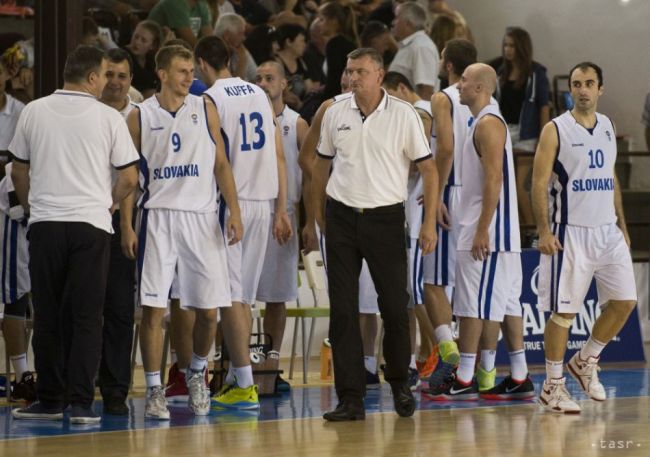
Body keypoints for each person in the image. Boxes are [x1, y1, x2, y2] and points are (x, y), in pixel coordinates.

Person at [9, 45, 139, 423]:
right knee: (86, 317)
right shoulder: (108, 117)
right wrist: (109, 204)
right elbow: (129, 176)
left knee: (47, 315)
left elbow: (19, 171)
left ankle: (51, 400)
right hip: (91, 226)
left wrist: (33, 207)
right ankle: (82, 404)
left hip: (46, 225)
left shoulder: (33, 110)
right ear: (94, 78)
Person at [313, 47, 438, 421]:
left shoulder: (404, 115)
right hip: (342, 218)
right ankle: (350, 398)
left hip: (385, 218)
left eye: (360, 72)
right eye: (349, 71)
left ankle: (400, 384)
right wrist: (319, 215)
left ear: (380, 75)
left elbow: (429, 171)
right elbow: (319, 166)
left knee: (395, 309)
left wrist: (429, 221)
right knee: (344, 312)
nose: (352, 78)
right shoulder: (335, 112)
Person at [119, 45, 242, 420]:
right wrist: (126, 224)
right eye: (181, 71)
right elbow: (128, 177)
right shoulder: (139, 116)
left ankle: (196, 374)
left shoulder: (205, 107)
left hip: (201, 218)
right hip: (157, 218)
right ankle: (155, 388)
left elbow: (221, 162)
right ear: (161, 73)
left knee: (209, 313)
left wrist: (233, 209)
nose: (190, 77)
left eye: (191, 70)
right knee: (154, 311)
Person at [532, 62, 637, 414]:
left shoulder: (607, 126)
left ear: (600, 89)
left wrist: (622, 223)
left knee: (625, 302)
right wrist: (544, 231)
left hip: (608, 230)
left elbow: (611, 179)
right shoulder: (555, 129)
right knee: (564, 315)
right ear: (570, 90)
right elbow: (538, 182)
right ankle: (552, 386)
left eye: (589, 83)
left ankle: (586, 360)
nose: (582, 90)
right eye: (576, 84)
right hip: (570, 232)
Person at [195, 36, 292, 409]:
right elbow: (279, 155)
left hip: (232, 202)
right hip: (263, 201)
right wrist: (281, 208)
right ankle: (239, 377)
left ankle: (245, 383)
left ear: (202, 63)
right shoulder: (258, 93)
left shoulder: (211, 98)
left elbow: (216, 159)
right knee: (243, 298)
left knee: (232, 298)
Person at [424, 63, 521, 401]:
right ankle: (519, 375)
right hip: (494, 231)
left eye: (464, 80)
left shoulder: (488, 124)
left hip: (488, 232)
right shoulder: (484, 121)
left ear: (480, 87)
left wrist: (482, 229)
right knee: (502, 305)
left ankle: (465, 378)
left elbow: (495, 178)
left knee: (474, 306)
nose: (459, 85)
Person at [254, 60, 308, 392]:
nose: (262, 83)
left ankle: (271, 363)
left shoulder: (297, 124)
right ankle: (237, 363)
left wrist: (310, 223)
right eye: (257, 78)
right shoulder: (245, 118)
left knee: (277, 296)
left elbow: (312, 174)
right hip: (252, 209)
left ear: (284, 84)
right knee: (239, 295)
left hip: (285, 212)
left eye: (269, 78)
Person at [381, 70, 434, 390]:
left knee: (415, 291)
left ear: (402, 88)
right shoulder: (422, 110)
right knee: (413, 291)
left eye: (391, 94)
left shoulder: (419, 111)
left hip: (417, 213)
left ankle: (443, 352)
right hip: (415, 209)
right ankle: (423, 355)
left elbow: (418, 161)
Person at [96, 48, 138, 415]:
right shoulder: (86, 112)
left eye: (122, 76)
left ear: (130, 81)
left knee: (120, 310)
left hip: (125, 223)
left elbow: (134, 179)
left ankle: (114, 390)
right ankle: (72, 383)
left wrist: (125, 223)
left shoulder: (139, 116)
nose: (115, 82)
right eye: (109, 74)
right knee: (80, 307)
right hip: (85, 217)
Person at [496, 27, 550, 243]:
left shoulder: (536, 73)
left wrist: (543, 139)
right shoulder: (501, 72)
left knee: (520, 186)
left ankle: (536, 230)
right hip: (504, 131)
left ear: (522, 47)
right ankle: (519, 231)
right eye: (506, 45)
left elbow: (543, 106)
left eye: (512, 45)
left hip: (527, 134)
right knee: (505, 186)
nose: (508, 50)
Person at [389, 1, 439, 100]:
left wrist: (419, 114)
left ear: (408, 23)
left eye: (397, 18)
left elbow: (426, 90)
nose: (392, 22)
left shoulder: (421, 47)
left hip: (412, 113)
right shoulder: (411, 45)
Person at [315, 2, 358, 100]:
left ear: (334, 21)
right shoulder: (345, 42)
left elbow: (334, 82)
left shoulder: (335, 44)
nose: (318, 24)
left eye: (322, 19)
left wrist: (325, 105)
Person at [124, 20, 163, 98]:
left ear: (152, 45)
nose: (137, 42)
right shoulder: (123, 56)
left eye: (143, 40)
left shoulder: (152, 60)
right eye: (136, 36)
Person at [148, 0, 213, 47]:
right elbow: (190, 42)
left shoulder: (202, 4)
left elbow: (209, 39)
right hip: (154, 54)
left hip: (179, 53)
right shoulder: (175, 2)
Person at [214, 13, 257, 82]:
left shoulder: (240, 49)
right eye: (240, 33)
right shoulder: (212, 54)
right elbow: (232, 88)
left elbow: (256, 78)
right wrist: (242, 60)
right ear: (226, 36)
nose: (244, 38)